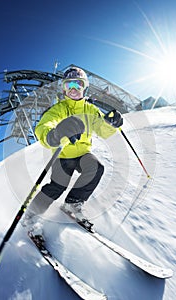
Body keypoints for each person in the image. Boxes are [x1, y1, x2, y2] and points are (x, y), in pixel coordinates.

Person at [23, 66, 123, 235]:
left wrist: (112, 124)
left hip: (83, 153)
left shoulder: (91, 110)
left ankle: (73, 203)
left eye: (78, 84)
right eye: (70, 86)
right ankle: (32, 215)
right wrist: (54, 135)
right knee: (57, 186)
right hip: (63, 155)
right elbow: (44, 126)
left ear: (85, 88)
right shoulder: (59, 109)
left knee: (96, 168)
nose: (74, 89)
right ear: (64, 89)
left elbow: (102, 130)